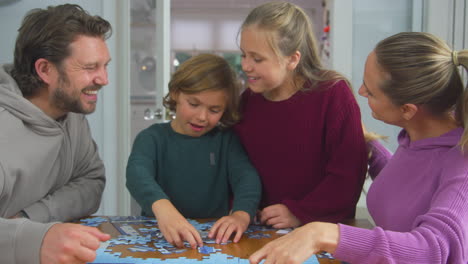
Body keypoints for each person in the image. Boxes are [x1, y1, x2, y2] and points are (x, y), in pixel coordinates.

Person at [249, 32, 468, 264]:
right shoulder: (417, 139)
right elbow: (408, 189)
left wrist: (322, 234)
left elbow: (433, 250)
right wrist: (362, 140)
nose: (361, 92)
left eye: (371, 92)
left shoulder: (462, 165)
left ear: (407, 110)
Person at [234, 1, 367, 228]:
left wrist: (300, 213)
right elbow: (236, 166)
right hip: (258, 229)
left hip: (320, 231)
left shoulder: (333, 94)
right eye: (244, 55)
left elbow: (348, 176)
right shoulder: (248, 101)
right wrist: (242, 209)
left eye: (257, 59)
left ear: (292, 59)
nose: (246, 66)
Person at [0, 4, 112, 264]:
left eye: (105, 66)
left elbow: (92, 181)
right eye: (89, 67)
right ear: (45, 70)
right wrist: (34, 239)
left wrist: (32, 216)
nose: (104, 79)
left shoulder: (71, 113)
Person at [126, 54, 262, 249]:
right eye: (194, 104)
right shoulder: (151, 138)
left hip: (212, 238)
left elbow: (247, 178)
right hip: (159, 235)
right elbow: (136, 175)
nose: (202, 117)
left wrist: (241, 215)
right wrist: (164, 210)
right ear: (175, 94)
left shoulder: (226, 140)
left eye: (214, 110)